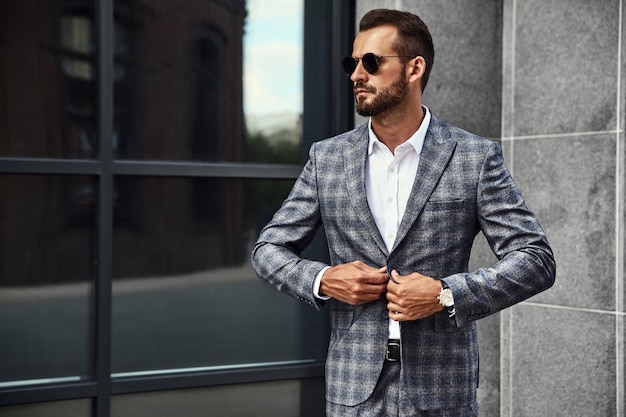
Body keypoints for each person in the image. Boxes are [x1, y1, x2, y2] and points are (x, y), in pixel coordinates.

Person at [252, 8, 555, 417]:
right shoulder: (328, 159)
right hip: (353, 388)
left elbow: (535, 259)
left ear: (414, 69)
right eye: (352, 63)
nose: (357, 74)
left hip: (442, 390)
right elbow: (268, 248)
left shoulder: (474, 157)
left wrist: (446, 293)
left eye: (372, 63)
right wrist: (324, 278)